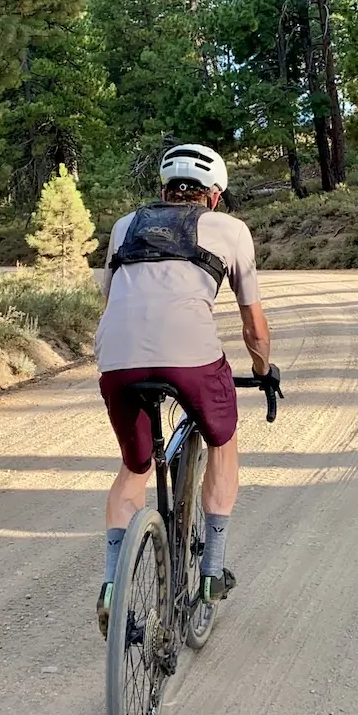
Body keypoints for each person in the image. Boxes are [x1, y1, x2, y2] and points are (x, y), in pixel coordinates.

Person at [93, 143, 276, 637]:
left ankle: (112, 585)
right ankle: (212, 572)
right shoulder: (232, 230)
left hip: (117, 357)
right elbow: (254, 327)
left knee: (134, 467)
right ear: (213, 196)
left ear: (163, 191)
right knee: (223, 439)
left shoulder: (125, 225)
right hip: (191, 358)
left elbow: (112, 298)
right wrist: (263, 370)